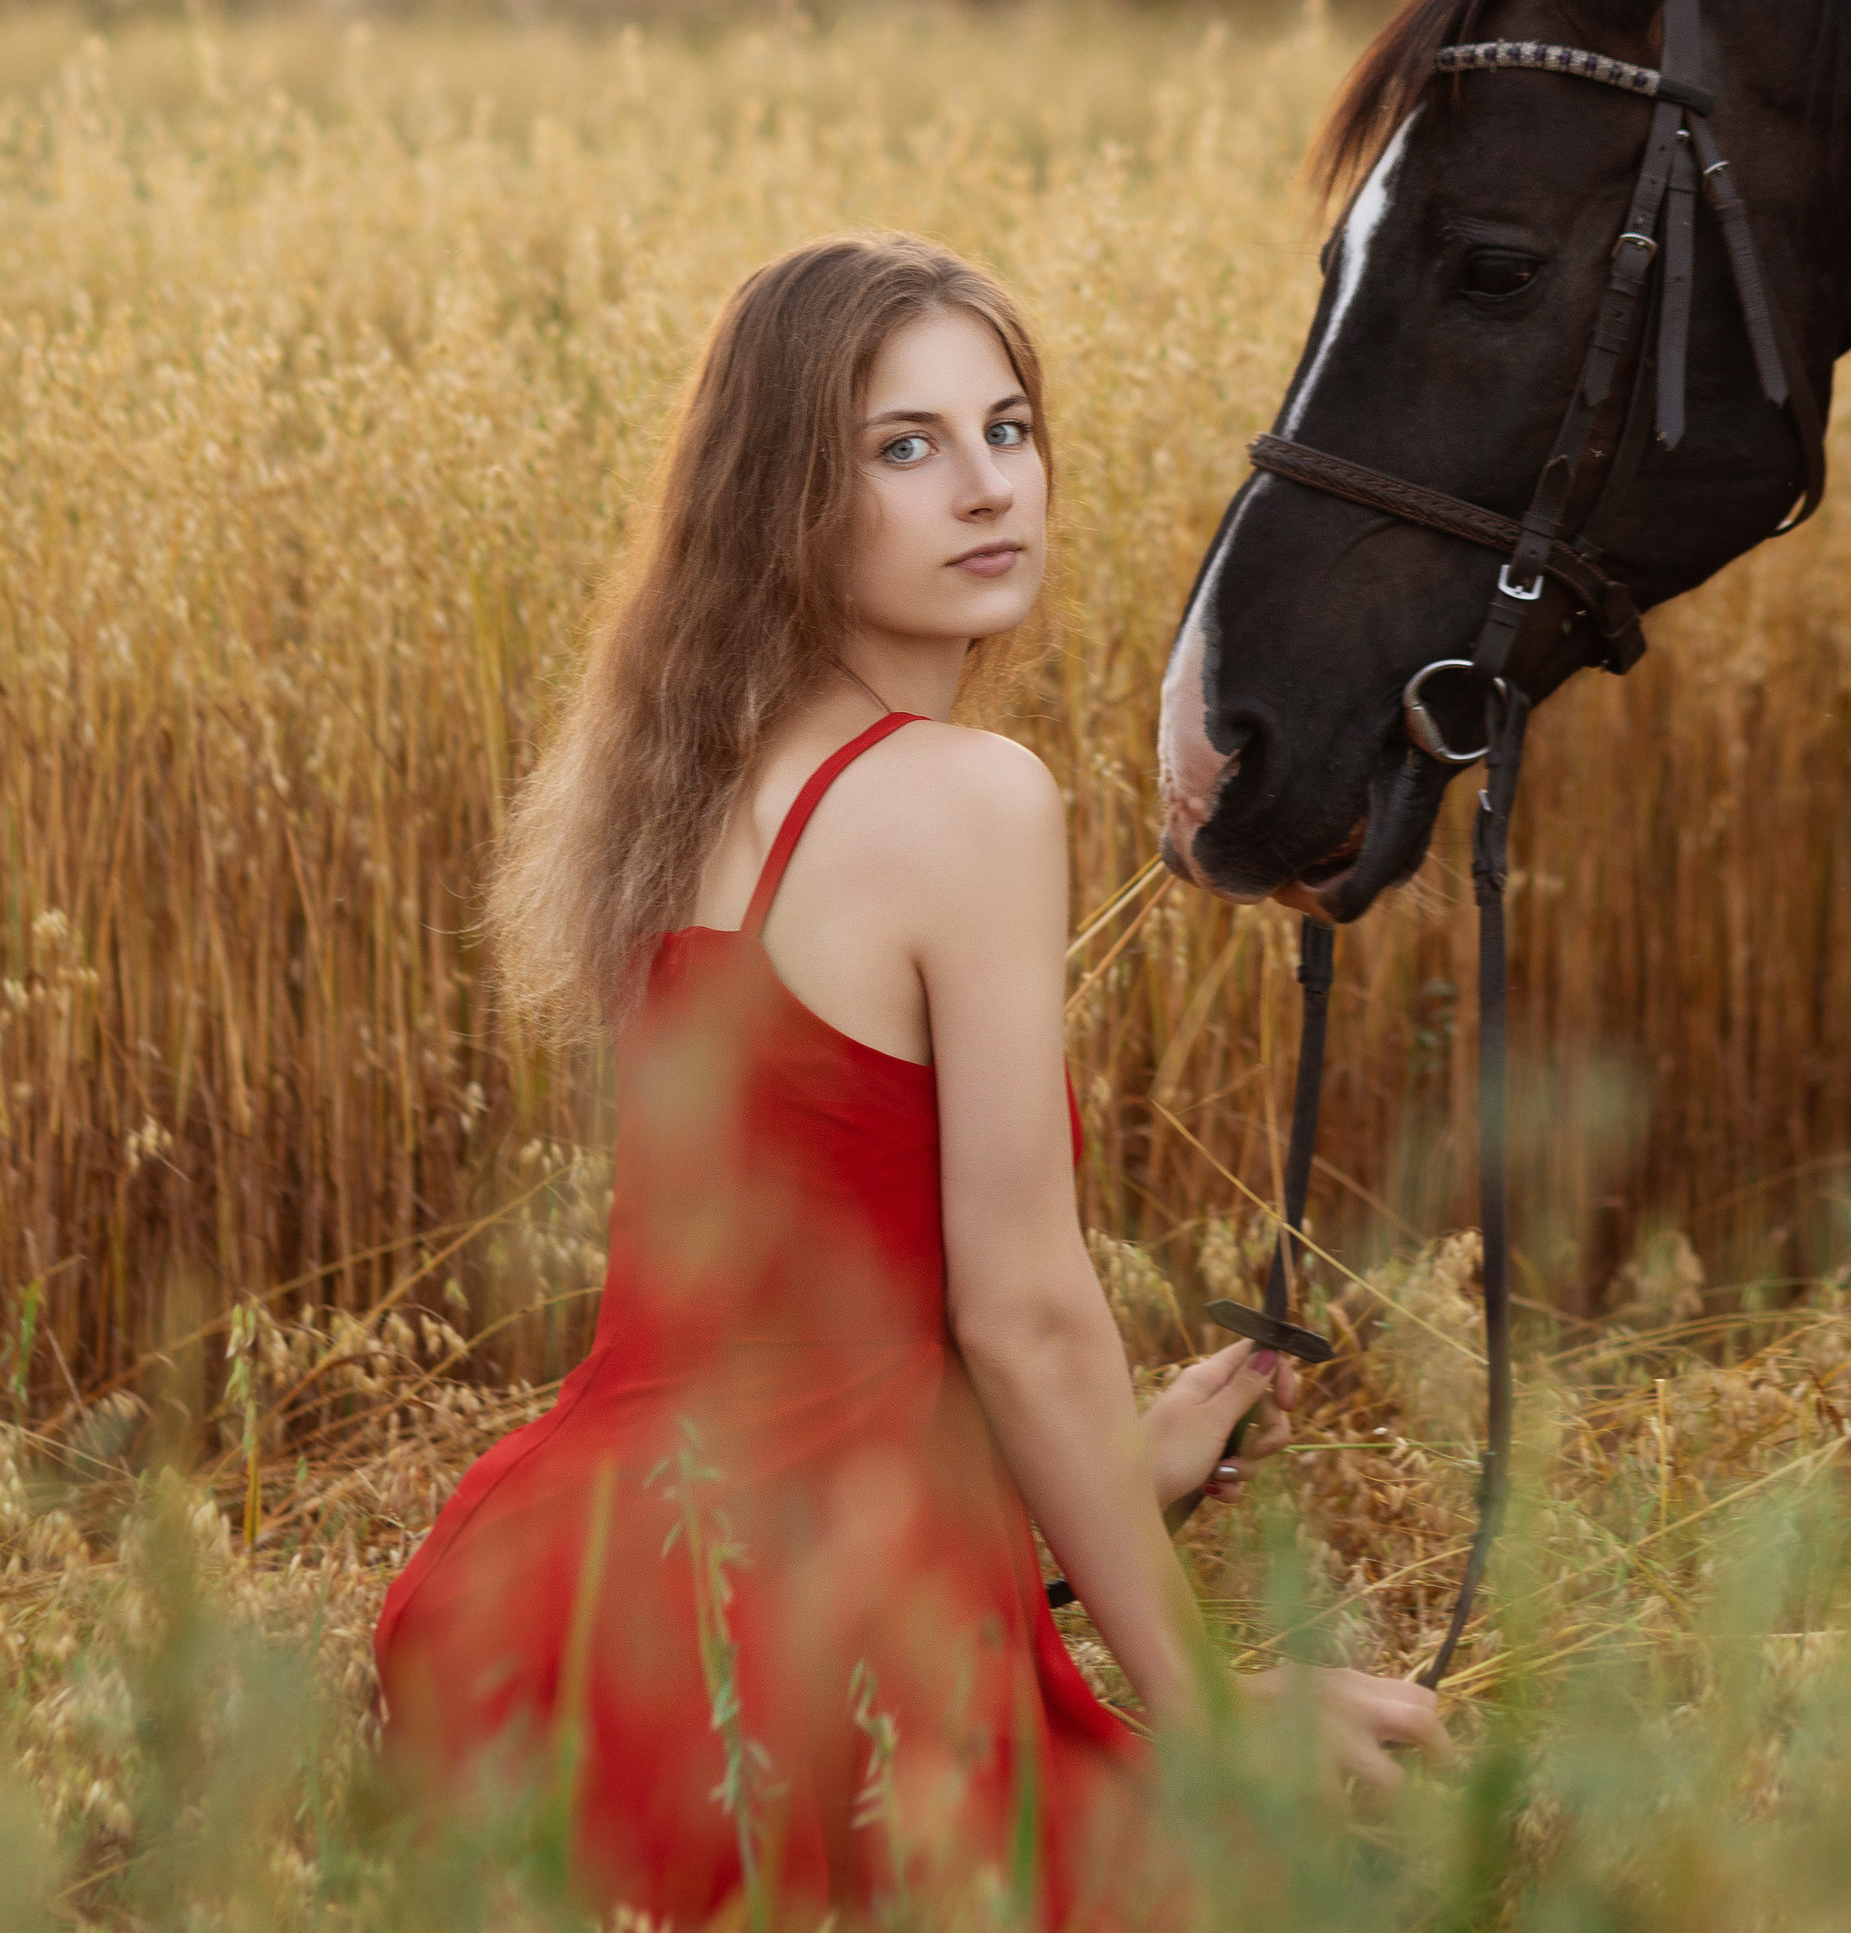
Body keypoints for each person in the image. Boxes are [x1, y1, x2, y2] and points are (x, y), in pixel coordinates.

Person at [375, 232, 1444, 1922]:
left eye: (1008, 429)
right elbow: (1016, 1312)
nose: (981, 488)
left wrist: (1122, 1473)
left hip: (551, 1617)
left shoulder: (697, 789)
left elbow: (792, 1363)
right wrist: (1220, 1712)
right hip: (790, 1673)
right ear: (785, 500)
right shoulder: (967, 796)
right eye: (904, 446)